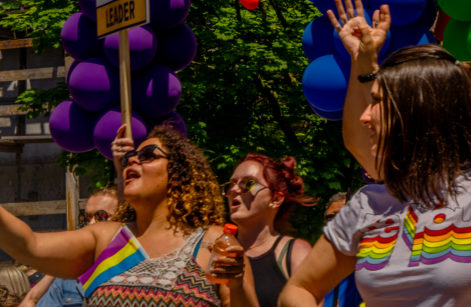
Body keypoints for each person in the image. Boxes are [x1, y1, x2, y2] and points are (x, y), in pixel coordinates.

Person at [279, 44, 471, 306]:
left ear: (416, 111)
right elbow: (299, 289)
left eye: (377, 102)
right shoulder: (367, 203)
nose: (365, 116)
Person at [0, 125, 257, 307]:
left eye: (147, 156)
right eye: (129, 159)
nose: (132, 162)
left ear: (178, 173)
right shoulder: (105, 238)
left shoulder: (215, 243)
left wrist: (235, 285)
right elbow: (29, 246)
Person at [330, 0, 471, 179]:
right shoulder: (418, 172)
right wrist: (362, 61)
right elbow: (361, 147)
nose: (463, 116)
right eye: (453, 105)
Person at [223, 154, 314, 307]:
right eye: (230, 185)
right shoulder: (217, 249)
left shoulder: (294, 252)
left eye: (248, 183)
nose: (234, 189)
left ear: (276, 199)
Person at [18, 188, 119, 307]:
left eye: (101, 216)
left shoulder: (136, 267)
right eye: (86, 218)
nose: (91, 223)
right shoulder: (70, 276)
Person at [321, 193, 361, 307]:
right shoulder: (313, 262)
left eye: (345, 216)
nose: (337, 222)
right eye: (331, 217)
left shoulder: (371, 261)